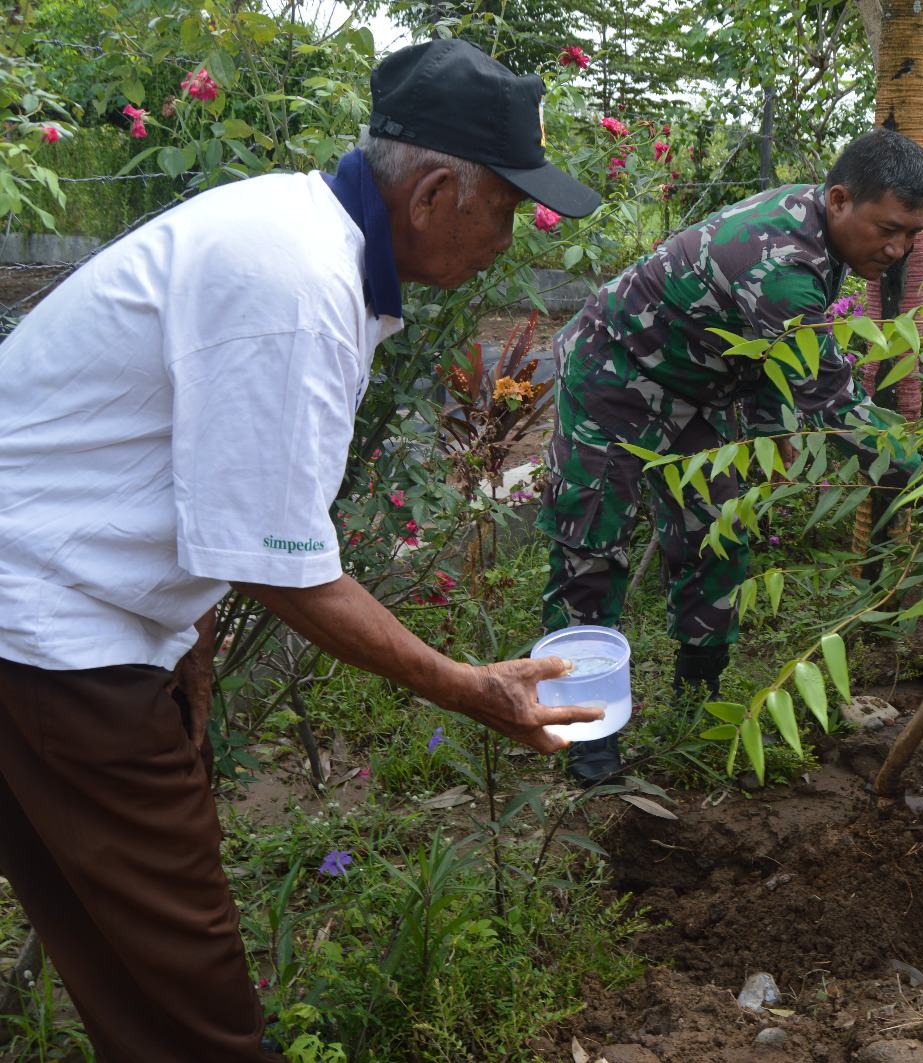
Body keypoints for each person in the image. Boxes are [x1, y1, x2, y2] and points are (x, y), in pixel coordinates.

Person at [0, 40, 606, 1063]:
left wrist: (181, 633)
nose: (510, 237)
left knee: (122, 960)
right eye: (504, 208)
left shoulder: (296, 233)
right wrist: (466, 687)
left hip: (56, 613)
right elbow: (278, 561)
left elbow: (197, 490)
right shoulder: (295, 283)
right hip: (54, 632)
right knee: (189, 996)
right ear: (435, 194)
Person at [538, 128, 923, 786]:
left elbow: (764, 355)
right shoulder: (782, 260)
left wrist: (766, 423)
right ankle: (586, 730)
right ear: (840, 200)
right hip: (614, 375)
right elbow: (832, 402)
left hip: (699, 390)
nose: (897, 249)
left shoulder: (823, 227)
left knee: (717, 537)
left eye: (912, 235)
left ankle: (696, 702)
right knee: (593, 545)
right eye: (888, 229)